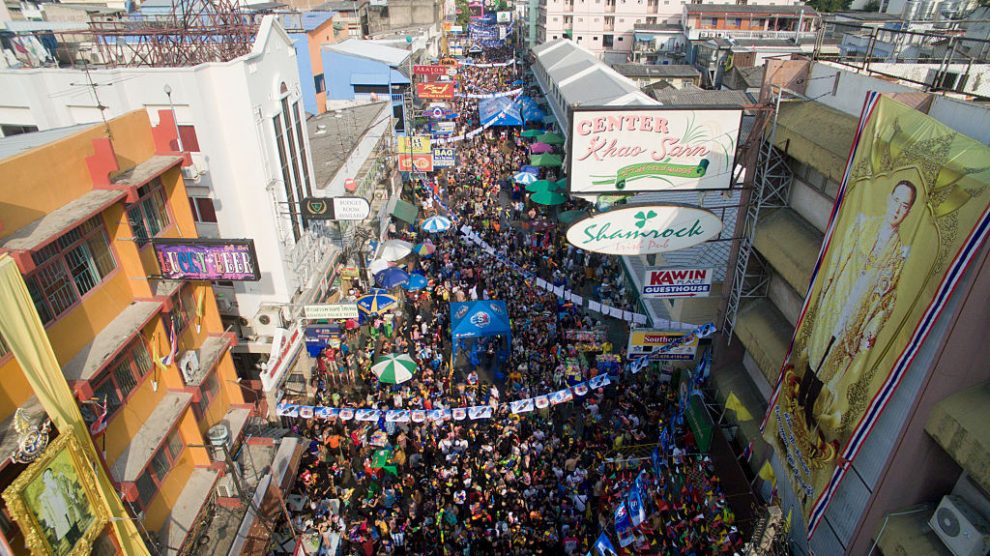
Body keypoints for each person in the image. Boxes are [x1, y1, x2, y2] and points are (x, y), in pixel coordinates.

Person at [795, 180, 916, 438]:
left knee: (828, 364)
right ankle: (799, 397)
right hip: (837, 303)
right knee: (817, 352)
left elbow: (887, 301)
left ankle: (808, 404)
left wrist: (868, 333)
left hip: (855, 319)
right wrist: (825, 293)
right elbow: (839, 258)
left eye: (904, 206)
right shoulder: (863, 225)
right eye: (896, 201)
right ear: (888, 198)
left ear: (908, 212)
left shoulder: (898, 256)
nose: (897, 209)